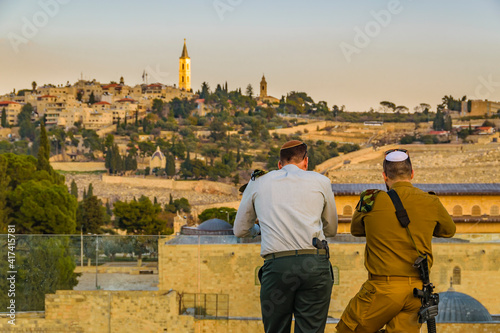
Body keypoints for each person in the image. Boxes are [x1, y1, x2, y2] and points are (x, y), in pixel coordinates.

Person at [336, 149, 456, 333]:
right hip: (417, 291)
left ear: (385, 176)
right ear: (412, 174)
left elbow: (356, 230)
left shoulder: (371, 199)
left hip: (382, 289)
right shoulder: (431, 201)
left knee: (348, 330)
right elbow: (449, 231)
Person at [234, 140, 338, 333]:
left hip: (277, 267)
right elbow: (331, 230)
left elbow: (240, 230)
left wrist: (258, 231)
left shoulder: (258, 183)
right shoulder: (322, 182)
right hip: (314, 264)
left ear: (279, 164)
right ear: (306, 162)